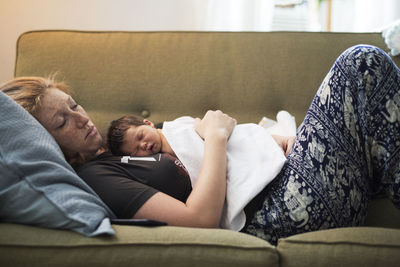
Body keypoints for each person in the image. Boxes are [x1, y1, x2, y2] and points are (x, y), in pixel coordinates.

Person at [2, 45, 400, 246]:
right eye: (62, 121)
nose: (81, 117)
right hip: (278, 213)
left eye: (74, 105)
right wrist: (215, 136)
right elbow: (200, 220)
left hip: (286, 181)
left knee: (372, 113)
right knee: (359, 63)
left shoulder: (116, 150)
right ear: (46, 139)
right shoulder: (98, 175)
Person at [106, 115, 293, 230]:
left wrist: (269, 138)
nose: (144, 145)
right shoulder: (163, 160)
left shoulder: (178, 126)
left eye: (140, 136)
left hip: (243, 143)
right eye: (136, 151)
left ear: (148, 123)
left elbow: (218, 130)